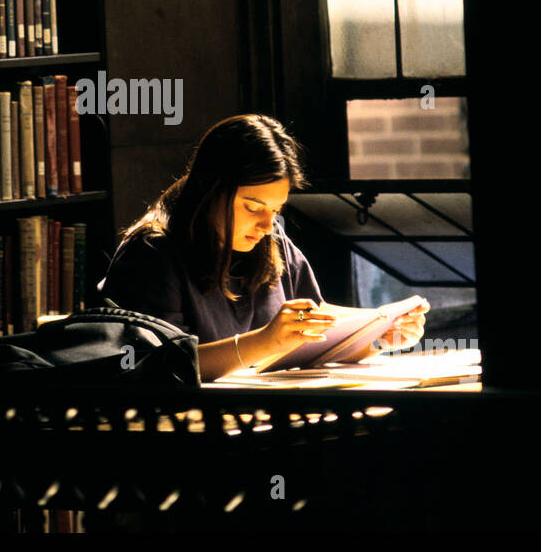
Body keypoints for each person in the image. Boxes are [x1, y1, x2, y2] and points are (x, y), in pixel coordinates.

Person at [96, 114, 428, 382]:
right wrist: (263, 342)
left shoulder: (272, 243)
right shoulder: (152, 254)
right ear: (209, 189)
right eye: (252, 207)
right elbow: (156, 368)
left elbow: (312, 341)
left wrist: (379, 337)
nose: (267, 225)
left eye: (275, 210)